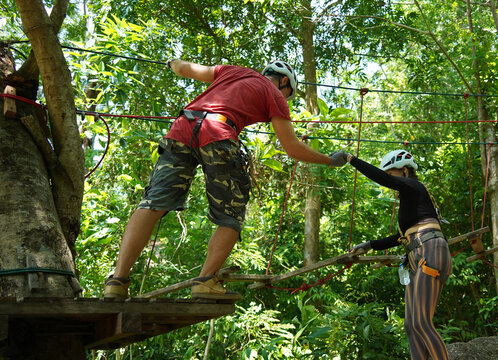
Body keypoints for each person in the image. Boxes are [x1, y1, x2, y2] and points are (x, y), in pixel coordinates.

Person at [104, 59, 347, 300]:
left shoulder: (232, 71)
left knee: (152, 203)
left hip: (182, 127)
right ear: (283, 81)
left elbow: (182, 68)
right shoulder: (274, 94)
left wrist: (170, 62)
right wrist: (329, 160)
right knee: (231, 213)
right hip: (218, 133)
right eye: (288, 94)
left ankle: (117, 281)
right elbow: (292, 148)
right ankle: (205, 280)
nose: (285, 99)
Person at [335, 149, 451, 360]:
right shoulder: (411, 203)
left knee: (422, 323)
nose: (390, 182)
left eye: (392, 175)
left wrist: (351, 160)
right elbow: (398, 237)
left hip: (429, 249)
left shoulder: (414, 186)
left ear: (405, 171)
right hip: (418, 252)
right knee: (411, 325)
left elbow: (382, 179)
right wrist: (370, 245)